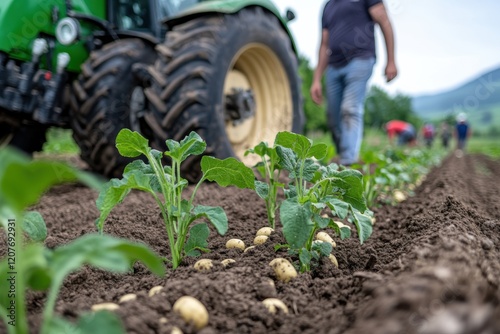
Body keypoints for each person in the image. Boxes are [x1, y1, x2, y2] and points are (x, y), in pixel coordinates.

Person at [310, 0, 397, 166]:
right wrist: (316, 79)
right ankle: (343, 154)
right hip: (333, 67)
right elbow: (324, 44)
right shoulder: (328, 6)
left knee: (350, 109)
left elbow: (384, 21)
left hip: (360, 59)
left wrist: (391, 60)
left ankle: (348, 160)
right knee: (333, 117)